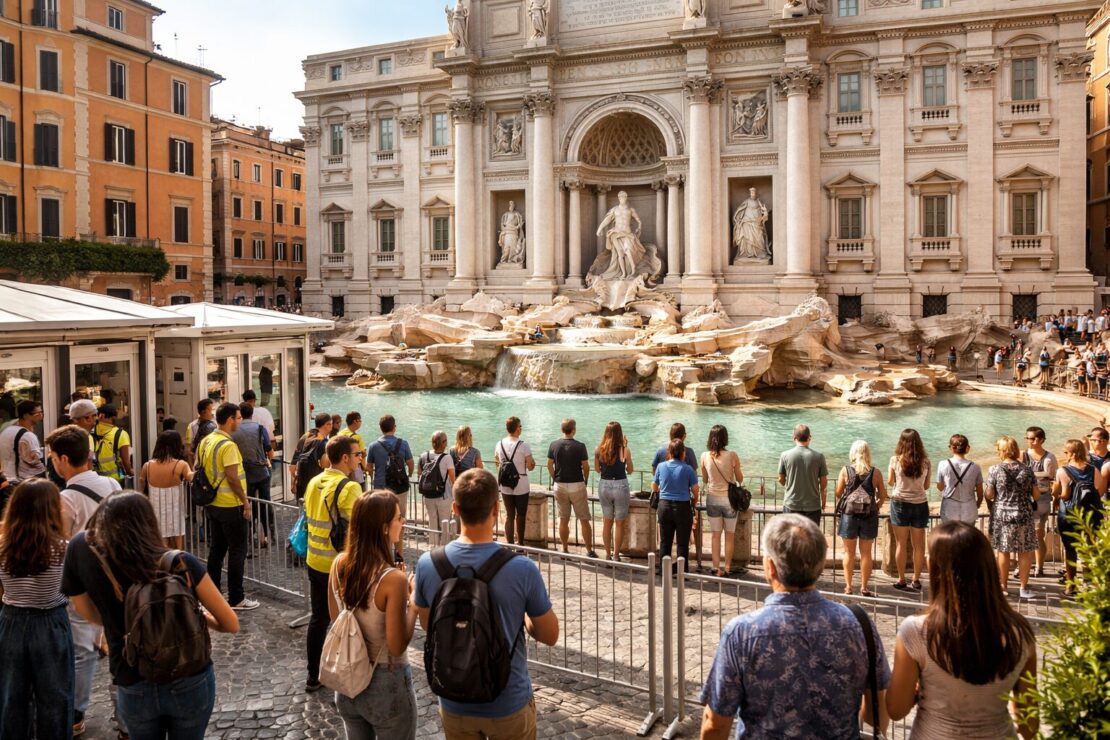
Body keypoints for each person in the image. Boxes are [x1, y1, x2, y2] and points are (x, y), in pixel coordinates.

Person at [62, 492, 240, 740]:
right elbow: (230, 623)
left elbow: (85, 611)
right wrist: (198, 614)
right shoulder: (181, 563)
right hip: (189, 676)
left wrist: (119, 622)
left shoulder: (81, 552)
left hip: (132, 677)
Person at [699, 514, 889, 739]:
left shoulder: (741, 633)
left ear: (770, 567)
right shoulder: (859, 624)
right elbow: (877, 714)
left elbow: (716, 724)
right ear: (819, 565)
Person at [414, 469, 559, 739]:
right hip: (508, 700)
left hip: (454, 700)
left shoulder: (427, 564)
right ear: (496, 508)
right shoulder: (522, 568)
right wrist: (524, 618)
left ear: (455, 509)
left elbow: (427, 623)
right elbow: (550, 635)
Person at [887, 521, 1038, 739]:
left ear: (933, 567)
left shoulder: (916, 631)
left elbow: (896, 709)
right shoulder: (1020, 633)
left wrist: (917, 691)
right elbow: (1029, 725)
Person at [43, 423, 121, 734]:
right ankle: (125, 718)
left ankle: (76, 713)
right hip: (116, 577)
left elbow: (59, 546)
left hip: (83, 585)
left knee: (82, 652)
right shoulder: (112, 486)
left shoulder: (65, 499)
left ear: (63, 459)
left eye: (52, 457)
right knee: (119, 644)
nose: (51, 462)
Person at [329, 491, 418, 738]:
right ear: (384, 528)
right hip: (385, 683)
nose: (404, 522)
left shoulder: (338, 565)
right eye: (399, 518)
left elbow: (337, 620)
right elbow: (397, 645)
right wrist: (414, 604)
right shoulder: (393, 580)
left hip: (347, 681)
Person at [0, 479, 74, 740]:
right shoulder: (63, 549)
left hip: (11, 622)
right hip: (51, 622)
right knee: (56, 699)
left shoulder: (2, 546)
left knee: (11, 698)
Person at [303, 435, 362, 693]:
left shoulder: (314, 481)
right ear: (345, 457)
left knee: (318, 618)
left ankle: (313, 674)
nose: (361, 458)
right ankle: (349, 672)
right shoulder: (349, 488)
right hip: (340, 566)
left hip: (314, 559)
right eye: (358, 454)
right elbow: (361, 527)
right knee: (350, 620)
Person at [196, 402, 259, 611]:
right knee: (237, 551)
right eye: (239, 418)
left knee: (217, 549)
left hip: (212, 503)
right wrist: (245, 501)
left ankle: (213, 593)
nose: (240, 422)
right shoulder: (228, 445)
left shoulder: (206, 440)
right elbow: (233, 477)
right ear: (230, 419)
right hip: (230, 505)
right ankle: (236, 597)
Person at [985, 436, 1038, 599]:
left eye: (998, 450)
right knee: (1024, 551)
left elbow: (989, 493)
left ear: (1003, 451)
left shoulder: (994, 470)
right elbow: (1036, 495)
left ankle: (1003, 586)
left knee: (1003, 550)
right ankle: (1023, 588)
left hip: (1002, 515)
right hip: (1023, 514)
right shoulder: (1027, 470)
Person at [1052, 438, 1104, 597]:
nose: (1065, 454)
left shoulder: (1063, 471)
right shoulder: (1093, 470)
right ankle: (1088, 584)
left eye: (1066, 452)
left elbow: (1061, 494)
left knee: (1070, 551)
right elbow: (1099, 491)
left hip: (1068, 515)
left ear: (1072, 453)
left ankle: (1071, 587)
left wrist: (1056, 493)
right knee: (1088, 548)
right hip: (1089, 516)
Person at [834, 440, 886, 596]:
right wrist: (876, 505)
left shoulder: (845, 470)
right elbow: (883, 494)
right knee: (866, 553)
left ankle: (848, 587)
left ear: (853, 453)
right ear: (868, 454)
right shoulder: (875, 473)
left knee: (848, 553)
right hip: (868, 516)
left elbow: (838, 493)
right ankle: (864, 587)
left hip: (849, 515)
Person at [888, 428, 931, 591]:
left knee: (900, 543)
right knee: (918, 545)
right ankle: (916, 579)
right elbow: (926, 486)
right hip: (920, 503)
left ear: (901, 442)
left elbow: (891, 482)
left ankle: (901, 579)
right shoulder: (926, 461)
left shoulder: (895, 460)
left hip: (899, 503)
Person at [699, 425, 744, 578]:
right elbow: (740, 478)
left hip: (712, 498)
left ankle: (715, 567)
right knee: (729, 535)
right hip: (729, 500)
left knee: (715, 535)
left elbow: (705, 479)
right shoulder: (732, 455)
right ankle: (728, 568)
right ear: (725, 438)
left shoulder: (704, 456)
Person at [138, 430, 194, 549]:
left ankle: (162, 565)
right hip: (176, 515)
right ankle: (178, 564)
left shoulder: (147, 466)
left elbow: (141, 483)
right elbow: (190, 477)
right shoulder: (181, 464)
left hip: (156, 512)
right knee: (178, 546)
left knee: (160, 544)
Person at [547, 418, 594, 557]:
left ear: (562, 430)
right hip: (577, 484)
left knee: (563, 519)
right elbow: (586, 466)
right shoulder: (580, 446)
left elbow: (549, 464)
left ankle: (565, 550)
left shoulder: (553, 445)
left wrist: (554, 478)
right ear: (574, 430)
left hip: (559, 484)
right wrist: (585, 480)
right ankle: (589, 551)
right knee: (584, 519)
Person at [653, 439, 699, 572]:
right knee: (682, 542)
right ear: (683, 453)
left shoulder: (661, 466)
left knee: (665, 541)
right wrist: (694, 501)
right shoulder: (688, 469)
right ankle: (681, 570)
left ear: (670, 452)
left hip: (664, 506)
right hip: (683, 507)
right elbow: (695, 489)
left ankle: (663, 569)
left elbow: (654, 485)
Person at [232, 403, 274, 548]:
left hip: (244, 473)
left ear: (241, 414)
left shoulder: (234, 432)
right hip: (261, 471)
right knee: (265, 503)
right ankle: (270, 534)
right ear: (252, 413)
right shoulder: (260, 428)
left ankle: (249, 534)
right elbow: (269, 449)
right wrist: (269, 462)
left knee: (247, 503)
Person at [595, 421, 633, 562]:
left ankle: (607, 554)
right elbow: (630, 470)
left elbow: (598, 470)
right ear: (620, 434)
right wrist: (625, 448)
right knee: (619, 523)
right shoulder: (624, 450)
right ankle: (616, 555)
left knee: (607, 522)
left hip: (604, 485)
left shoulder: (599, 449)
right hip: (620, 485)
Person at [1023, 427, 1058, 577]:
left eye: (1032, 438)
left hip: (1042, 500)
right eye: (1029, 438)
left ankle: (1039, 566)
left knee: (1038, 534)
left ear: (1041, 439)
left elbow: (1052, 476)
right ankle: (1024, 566)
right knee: (1025, 534)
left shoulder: (1050, 457)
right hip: (1025, 498)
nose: (1030, 441)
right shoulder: (1023, 455)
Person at [494, 416, 535, 546]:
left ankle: (509, 544)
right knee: (521, 515)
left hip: (505, 484)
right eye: (520, 426)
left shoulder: (499, 444)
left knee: (509, 515)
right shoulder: (523, 445)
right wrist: (529, 463)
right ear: (517, 429)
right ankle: (520, 544)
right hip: (521, 483)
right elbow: (530, 465)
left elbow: (497, 461)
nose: (521, 428)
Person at [777, 424, 828, 526]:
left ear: (794, 438)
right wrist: (823, 501)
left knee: (791, 537)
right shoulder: (819, 457)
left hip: (791, 504)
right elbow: (824, 483)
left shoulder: (785, 455)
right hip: (813, 506)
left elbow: (780, 479)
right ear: (810, 437)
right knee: (811, 539)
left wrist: (788, 484)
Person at [366, 415, 414, 515]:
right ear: (394, 427)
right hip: (399, 483)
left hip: (380, 485)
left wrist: (371, 475)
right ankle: (399, 531)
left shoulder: (373, 446)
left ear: (380, 428)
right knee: (400, 514)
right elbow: (410, 463)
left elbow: (369, 467)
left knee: (381, 515)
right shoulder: (403, 443)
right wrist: (409, 474)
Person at [935, 434, 984, 524]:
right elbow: (980, 492)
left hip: (949, 509)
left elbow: (940, 487)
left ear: (950, 447)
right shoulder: (976, 467)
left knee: (950, 536)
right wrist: (977, 504)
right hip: (969, 509)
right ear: (967, 448)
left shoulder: (942, 464)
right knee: (968, 537)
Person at [419, 431, 456, 546]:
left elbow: (420, 473)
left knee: (432, 522)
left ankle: (433, 546)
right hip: (443, 495)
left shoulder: (424, 455)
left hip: (428, 494)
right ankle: (444, 547)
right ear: (444, 443)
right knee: (444, 522)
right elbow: (452, 478)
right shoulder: (447, 458)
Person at [0, 399, 45, 483]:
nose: (41, 415)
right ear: (25, 416)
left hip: (7, 478)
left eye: (41, 412)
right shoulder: (28, 436)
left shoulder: (7, 430)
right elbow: (34, 460)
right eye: (37, 413)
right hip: (24, 481)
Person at [290, 412, 333, 500]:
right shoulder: (324, 443)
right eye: (331, 424)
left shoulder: (305, 436)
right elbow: (327, 465)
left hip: (301, 484)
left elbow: (293, 466)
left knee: (303, 511)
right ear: (328, 425)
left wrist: (293, 483)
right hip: (317, 486)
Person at [93, 404, 132, 484]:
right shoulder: (121, 434)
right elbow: (125, 461)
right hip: (116, 480)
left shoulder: (91, 431)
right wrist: (130, 472)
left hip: (95, 479)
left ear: (101, 416)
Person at [337, 412, 368, 488]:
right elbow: (362, 456)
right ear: (355, 421)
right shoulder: (357, 437)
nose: (361, 422)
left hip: (341, 468)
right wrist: (365, 469)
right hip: (354, 470)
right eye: (360, 420)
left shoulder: (340, 434)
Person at [185, 398, 216, 465]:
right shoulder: (192, 426)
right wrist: (192, 470)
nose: (212, 413)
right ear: (203, 411)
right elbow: (188, 451)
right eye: (210, 410)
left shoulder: (215, 425)